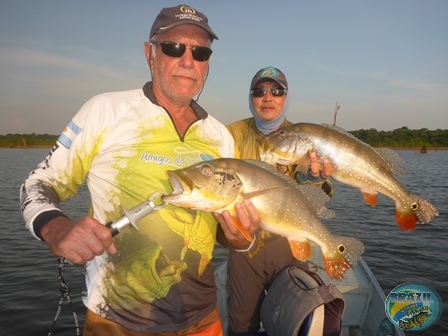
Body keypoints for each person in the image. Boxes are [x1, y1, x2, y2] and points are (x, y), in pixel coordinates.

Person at [19, 5, 259, 335]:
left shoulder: (220, 136)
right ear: (150, 53)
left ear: (208, 63)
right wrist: (55, 227)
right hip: (119, 320)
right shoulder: (105, 110)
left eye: (200, 52)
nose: (188, 61)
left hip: (202, 318)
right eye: (174, 47)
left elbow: (221, 227)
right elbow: (39, 182)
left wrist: (239, 239)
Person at [221, 66, 333, 335]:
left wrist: (315, 180)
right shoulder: (230, 135)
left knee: (293, 321)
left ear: (286, 97)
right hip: (244, 249)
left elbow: (325, 193)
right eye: (259, 91)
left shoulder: (303, 136)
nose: (267, 97)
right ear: (251, 98)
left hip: (289, 245)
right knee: (241, 323)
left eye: (276, 90)